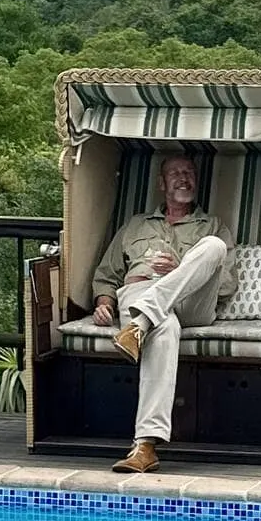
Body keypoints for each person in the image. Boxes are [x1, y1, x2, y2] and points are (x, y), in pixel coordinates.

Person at [90, 152, 235, 472]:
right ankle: (145, 446)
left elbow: (226, 285)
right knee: (165, 328)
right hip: (140, 293)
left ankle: (139, 324)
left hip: (192, 303)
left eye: (190, 172)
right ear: (161, 183)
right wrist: (104, 303)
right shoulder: (135, 225)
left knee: (213, 246)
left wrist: (181, 268)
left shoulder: (213, 225)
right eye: (175, 173)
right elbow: (107, 275)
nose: (184, 178)